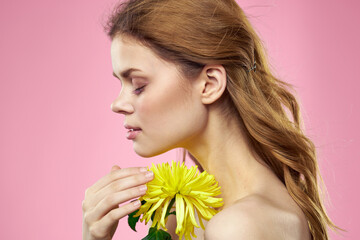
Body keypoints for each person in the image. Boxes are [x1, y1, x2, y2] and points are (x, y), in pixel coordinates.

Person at [82, 0, 342, 239]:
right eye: (121, 84)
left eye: (138, 85)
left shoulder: (240, 226)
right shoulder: (184, 217)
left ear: (209, 84)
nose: (117, 104)